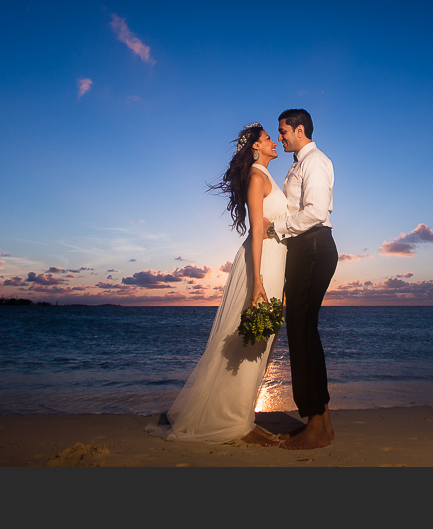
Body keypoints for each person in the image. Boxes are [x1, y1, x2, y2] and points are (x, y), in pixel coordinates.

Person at [145, 122, 287, 446]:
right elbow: (255, 233)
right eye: (268, 138)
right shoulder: (256, 177)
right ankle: (235, 421)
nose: (274, 141)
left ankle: (240, 414)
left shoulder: (266, 176)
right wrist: (257, 282)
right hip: (262, 265)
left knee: (263, 342)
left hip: (277, 263)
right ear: (255, 147)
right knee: (249, 343)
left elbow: (272, 225)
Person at [264, 108, 338, 450]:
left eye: (283, 131)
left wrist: (276, 228)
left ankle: (316, 425)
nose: (279, 136)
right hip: (305, 247)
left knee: (300, 329)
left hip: (312, 246)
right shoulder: (298, 163)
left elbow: (316, 212)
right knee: (302, 329)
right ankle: (319, 421)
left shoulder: (315, 161)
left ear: (299, 129)